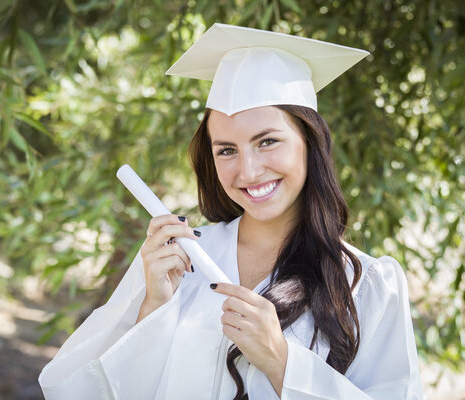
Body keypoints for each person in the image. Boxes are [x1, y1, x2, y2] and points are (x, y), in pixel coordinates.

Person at [38, 23, 423, 399]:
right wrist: (153, 307)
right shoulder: (180, 258)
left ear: (310, 142)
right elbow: (87, 387)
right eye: (226, 150)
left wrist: (281, 361)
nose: (248, 171)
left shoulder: (368, 285)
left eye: (268, 141)